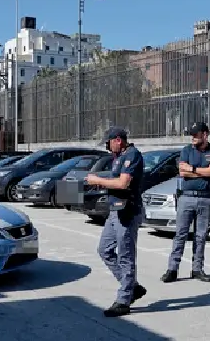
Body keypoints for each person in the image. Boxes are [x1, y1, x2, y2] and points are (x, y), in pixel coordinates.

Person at [85, 126, 146, 317]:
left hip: (127, 211)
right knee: (104, 249)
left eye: (109, 143)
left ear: (118, 140)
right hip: (115, 210)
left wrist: (98, 179)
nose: (107, 147)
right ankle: (131, 286)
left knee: (126, 256)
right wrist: (100, 181)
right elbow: (115, 181)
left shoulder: (132, 155)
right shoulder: (118, 157)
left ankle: (124, 300)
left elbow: (123, 183)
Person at [160, 122, 210, 283]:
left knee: (201, 236)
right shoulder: (187, 150)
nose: (193, 137)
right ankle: (172, 269)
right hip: (186, 197)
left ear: (205, 135)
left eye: (196, 134)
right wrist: (204, 172)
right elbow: (182, 171)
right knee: (180, 234)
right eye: (192, 134)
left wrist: (193, 170)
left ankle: (197, 269)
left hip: (205, 197)